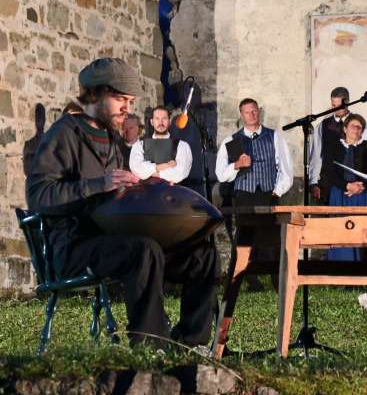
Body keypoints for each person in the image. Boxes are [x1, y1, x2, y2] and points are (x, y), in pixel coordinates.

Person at [26, 58, 219, 349]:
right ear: (95, 95)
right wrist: (98, 185)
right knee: (143, 250)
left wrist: (144, 189)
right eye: (119, 99)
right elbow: (39, 196)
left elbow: (117, 195)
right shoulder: (64, 134)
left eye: (129, 100)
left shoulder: (111, 138)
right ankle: (151, 347)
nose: (126, 107)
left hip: (114, 239)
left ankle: (192, 345)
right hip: (74, 246)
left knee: (203, 254)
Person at [215, 98, 293, 290]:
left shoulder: (274, 137)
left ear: (259, 112)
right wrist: (236, 165)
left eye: (254, 111)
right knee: (245, 239)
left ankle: (278, 281)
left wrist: (277, 191)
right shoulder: (231, 140)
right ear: (241, 115)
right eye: (247, 112)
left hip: (269, 193)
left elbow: (286, 169)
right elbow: (220, 174)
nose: (252, 114)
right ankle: (250, 281)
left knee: (273, 240)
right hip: (244, 194)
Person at [326, 113, 367, 264]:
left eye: (360, 127)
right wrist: (347, 185)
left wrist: (361, 186)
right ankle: (342, 269)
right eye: (353, 126)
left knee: (365, 232)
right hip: (341, 195)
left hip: (364, 195)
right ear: (345, 128)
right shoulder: (334, 147)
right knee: (342, 231)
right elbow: (329, 172)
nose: (356, 129)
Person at [309, 87, 367, 204]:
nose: (334, 109)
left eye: (338, 106)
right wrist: (313, 183)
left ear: (347, 103)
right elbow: (317, 155)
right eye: (333, 105)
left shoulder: (360, 124)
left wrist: (363, 184)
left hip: (359, 187)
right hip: (332, 184)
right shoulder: (324, 126)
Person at [129, 106, 193, 184]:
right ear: (152, 122)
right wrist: (166, 165)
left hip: (172, 193)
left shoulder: (182, 146)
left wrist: (151, 173)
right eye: (157, 118)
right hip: (146, 193)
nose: (161, 122)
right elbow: (136, 168)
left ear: (169, 122)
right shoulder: (140, 145)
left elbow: (180, 172)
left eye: (164, 118)